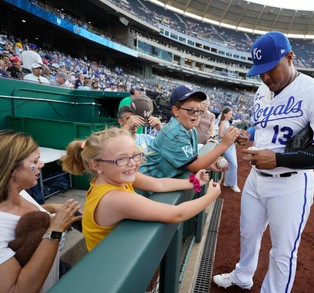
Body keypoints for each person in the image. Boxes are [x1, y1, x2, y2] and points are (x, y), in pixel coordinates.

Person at [212, 31, 314, 292]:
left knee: (282, 253)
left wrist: (279, 159)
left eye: (271, 69)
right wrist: (248, 134)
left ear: (289, 57)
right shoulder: (262, 90)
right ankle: (242, 276)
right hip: (255, 179)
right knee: (248, 235)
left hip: (291, 184)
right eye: (260, 71)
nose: (265, 77)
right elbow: (265, 125)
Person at [60, 127, 221, 251]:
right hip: (114, 271)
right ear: (97, 165)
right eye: (121, 159)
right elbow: (176, 214)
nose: (132, 163)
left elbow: (159, 184)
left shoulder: (114, 176)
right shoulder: (114, 198)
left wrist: (192, 182)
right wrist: (211, 196)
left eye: (136, 155)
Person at [0, 130, 81, 293]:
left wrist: (51, 208)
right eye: (35, 161)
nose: (41, 164)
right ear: (12, 170)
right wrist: (55, 230)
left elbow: (20, 215)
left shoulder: (19, 192)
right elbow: (16, 290)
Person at [139, 85, 242, 181]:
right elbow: (194, 165)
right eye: (190, 110)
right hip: (144, 186)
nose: (196, 114)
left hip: (157, 183)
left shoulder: (190, 129)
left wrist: (209, 164)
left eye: (199, 111)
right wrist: (224, 145)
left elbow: (191, 159)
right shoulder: (175, 132)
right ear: (176, 111)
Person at [218, 107, 240, 193]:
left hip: (232, 146)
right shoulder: (223, 122)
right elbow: (220, 135)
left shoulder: (227, 122)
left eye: (231, 114)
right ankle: (233, 184)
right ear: (225, 114)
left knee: (232, 165)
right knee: (234, 165)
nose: (231, 115)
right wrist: (229, 138)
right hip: (226, 146)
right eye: (230, 114)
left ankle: (227, 182)